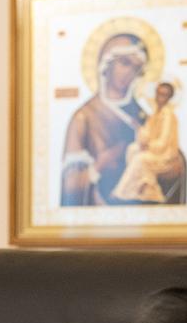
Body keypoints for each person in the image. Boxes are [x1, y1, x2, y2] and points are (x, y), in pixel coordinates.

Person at [60, 33, 150, 206]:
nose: (129, 73)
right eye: (124, 63)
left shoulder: (142, 118)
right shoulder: (83, 118)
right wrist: (100, 165)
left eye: (136, 68)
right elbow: (70, 187)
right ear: (106, 64)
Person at [111, 81, 182, 203]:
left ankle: (121, 193)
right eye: (158, 94)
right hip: (154, 150)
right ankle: (139, 189)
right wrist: (138, 128)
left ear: (169, 97)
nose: (160, 98)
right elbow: (146, 134)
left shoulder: (168, 116)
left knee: (141, 159)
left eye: (164, 95)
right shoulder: (155, 114)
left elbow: (164, 142)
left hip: (165, 156)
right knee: (132, 149)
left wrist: (148, 146)